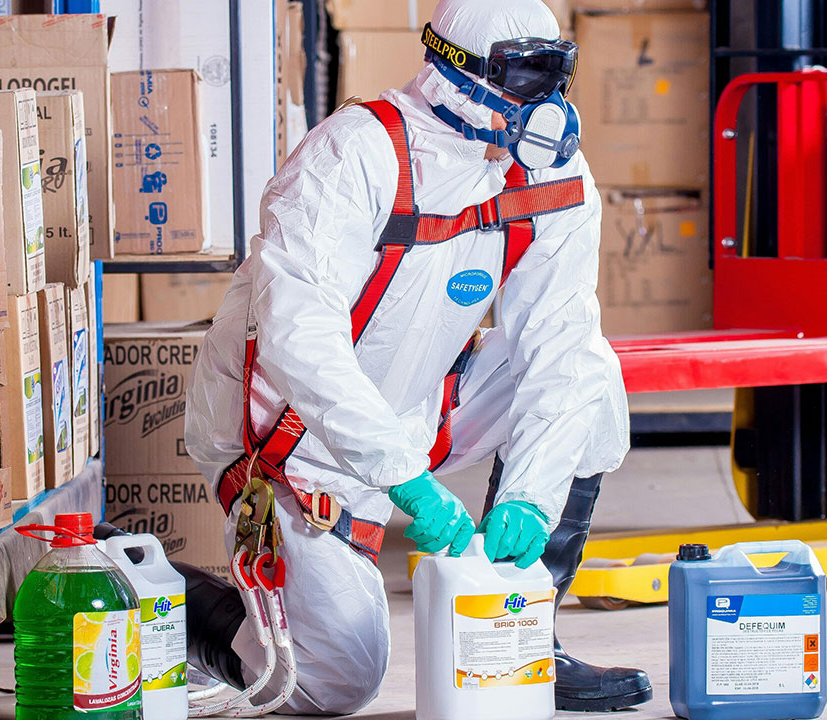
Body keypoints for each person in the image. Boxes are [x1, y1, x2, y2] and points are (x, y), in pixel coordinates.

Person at [179, 0, 647, 713]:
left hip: (417, 404)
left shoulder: (549, 177)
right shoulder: (354, 155)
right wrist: (405, 479)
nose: (547, 104)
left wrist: (532, 493)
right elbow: (297, 336)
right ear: (459, 75)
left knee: (594, 375)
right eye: (526, 78)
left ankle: (525, 640)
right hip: (289, 442)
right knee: (334, 683)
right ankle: (166, 602)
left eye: (558, 76)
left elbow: (559, 342)